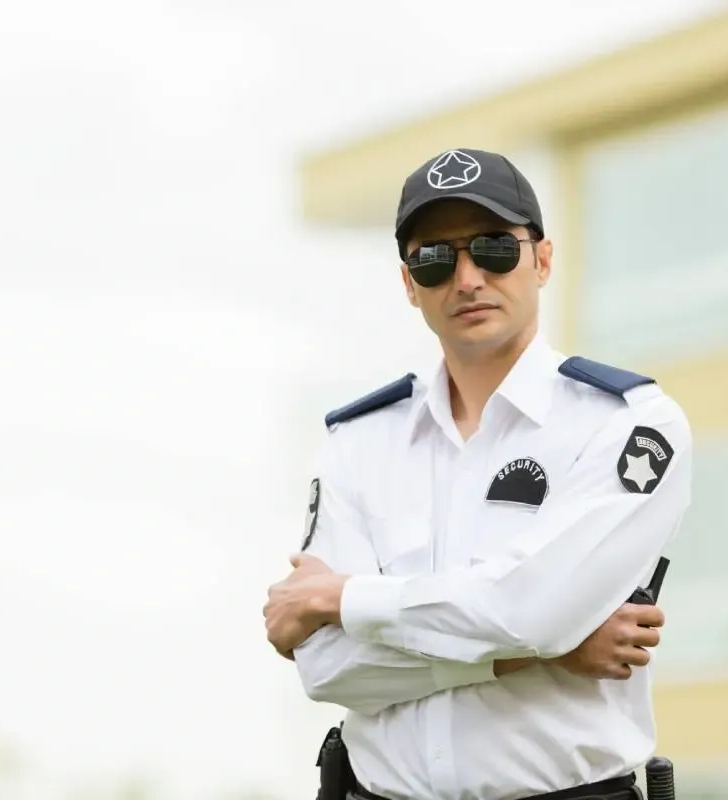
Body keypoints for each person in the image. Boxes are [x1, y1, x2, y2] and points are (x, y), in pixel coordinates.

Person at [263, 147, 693, 800]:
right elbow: (327, 668)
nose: (466, 278)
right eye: (434, 258)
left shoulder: (627, 425)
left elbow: (531, 610)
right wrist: (533, 653)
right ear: (409, 283)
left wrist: (341, 597)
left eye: (493, 248)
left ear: (542, 259)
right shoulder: (359, 440)